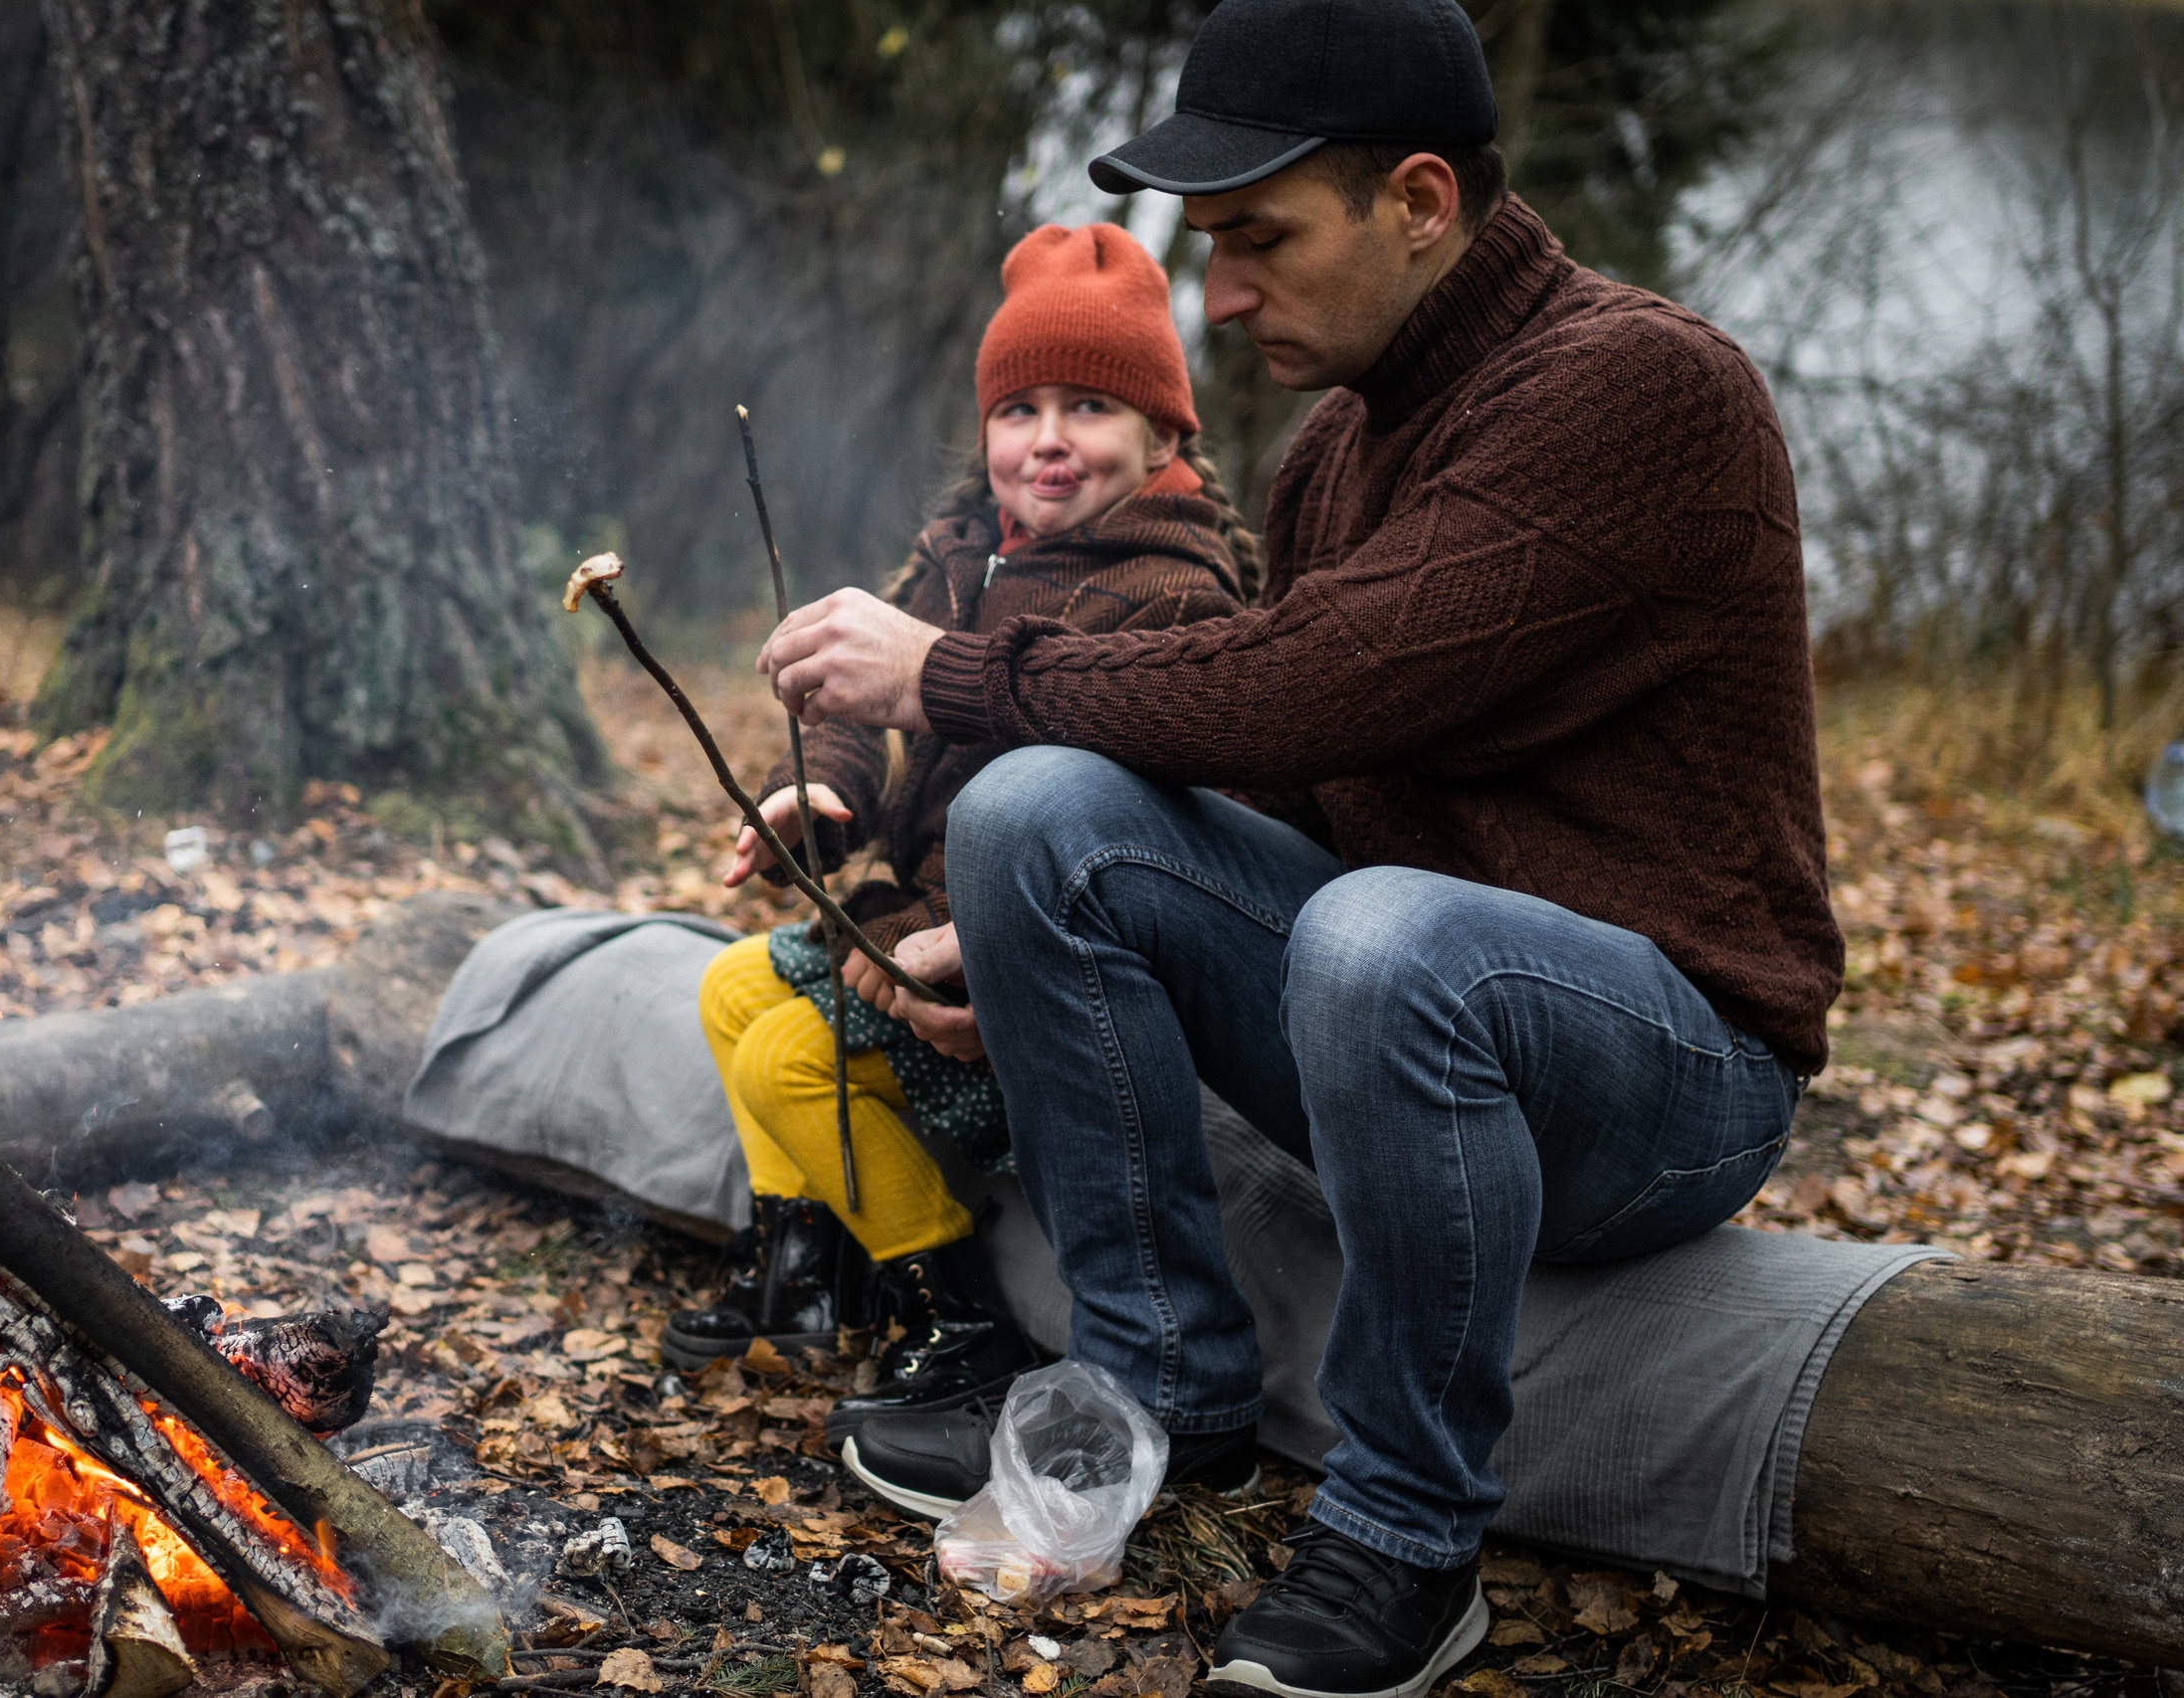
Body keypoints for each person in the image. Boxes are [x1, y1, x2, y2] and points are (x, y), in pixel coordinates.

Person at [751, 0, 1844, 1692]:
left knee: (1386, 932)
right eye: (1210, 249)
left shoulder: (1640, 389)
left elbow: (1317, 683)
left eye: (1258, 240)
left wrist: (953, 668)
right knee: (1034, 816)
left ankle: (1410, 1531)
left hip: (1668, 1076)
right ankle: (1157, 1391)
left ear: (1419, 202)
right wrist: (1031, 930)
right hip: (1402, 1002)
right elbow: (1304, 790)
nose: (1223, 296)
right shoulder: (1342, 442)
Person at [663, 223, 1262, 1451]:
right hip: (918, 918)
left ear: (1164, 435)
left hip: (1027, 981)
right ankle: (807, 1264)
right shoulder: (963, 549)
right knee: (729, 986)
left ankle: (952, 1310)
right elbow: (858, 702)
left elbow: (1122, 820)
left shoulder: (1172, 595)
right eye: (1018, 409)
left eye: (1089, 406)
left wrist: (984, 947)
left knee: (787, 1059)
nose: (1045, 440)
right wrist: (820, 795)